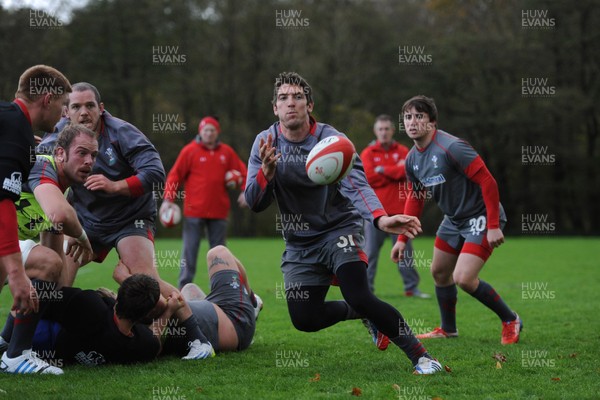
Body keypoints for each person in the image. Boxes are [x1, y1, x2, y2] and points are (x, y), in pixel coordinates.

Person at [244, 72, 442, 374]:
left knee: (359, 294)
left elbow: (357, 186)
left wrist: (380, 218)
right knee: (304, 319)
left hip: (339, 229)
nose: (291, 103)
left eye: (298, 97)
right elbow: (254, 202)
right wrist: (266, 176)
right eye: (283, 98)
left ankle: (422, 358)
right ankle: (360, 313)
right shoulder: (265, 142)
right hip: (299, 241)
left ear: (310, 105)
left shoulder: (332, 141)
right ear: (275, 108)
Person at [391, 95, 522, 345]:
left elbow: (488, 181)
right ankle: (448, 329)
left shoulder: (452, 147)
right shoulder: (411, 159)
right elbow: (415, 198)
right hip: (453, 220)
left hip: (481, 217)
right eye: (408, 117)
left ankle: (510, 319)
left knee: (464, 278)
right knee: (439, 272)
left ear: (432, 122)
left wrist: (493, 226)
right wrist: (401, 239)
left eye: (419, 116)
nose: (412, 122)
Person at [36, 82, 177, 297]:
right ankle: (29, 331)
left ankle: (192, 314)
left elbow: (155, 173)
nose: (84, 113)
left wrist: (116, 186)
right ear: (66, 112)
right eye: (76, 107)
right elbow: (33, 164)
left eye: (90, 106)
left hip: (131, 219)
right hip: (87, 220)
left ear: (101, 108)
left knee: (145, 286)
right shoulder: (58, 138)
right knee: (52, 274)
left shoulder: (122, 132)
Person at [0, 124, 98, 362]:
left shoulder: (61, 190)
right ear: (60, 154)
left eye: (94, 155)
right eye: (82, 153)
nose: (89, 161)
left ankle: (7, 346)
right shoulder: (43, 165)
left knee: (49, 265)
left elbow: (56, 277)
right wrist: (83, 239)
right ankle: (18, 356)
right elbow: (61, 214)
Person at [0, 65, 71, 374]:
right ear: (47, 99)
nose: (63, 113)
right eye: (62, 105)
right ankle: (16, 355)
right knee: (47, 264)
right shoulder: (15, 129)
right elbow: (2, 203)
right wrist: (16, 273)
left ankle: (9, 350)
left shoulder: (13, 125)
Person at [160, 116, 248, 289]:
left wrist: (246, 191)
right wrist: (168, 199)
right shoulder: (189, 151)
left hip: (219, 212)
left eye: (212, 130)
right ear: (200, 131)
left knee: (220, 255)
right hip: (194, 212)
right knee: (189, 253)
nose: (209, 133)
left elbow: (244, 172)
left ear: (217, 132)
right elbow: (175, 175)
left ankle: (222, 289)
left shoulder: (226, 152)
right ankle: (184, 290)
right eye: (206, 130)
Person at [360, 114, 430, 298]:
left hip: (400, 212)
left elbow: (409, 173)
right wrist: (394, 171)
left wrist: (383, 170)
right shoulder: (367, 153)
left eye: (387, 129)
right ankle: (367, 291)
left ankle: (411, 288)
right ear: (376, 131)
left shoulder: (404, 150)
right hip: (375, 214)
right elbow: (368, 177)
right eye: (380, 129)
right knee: (369, 253)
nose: (384, 132)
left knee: (405, 253)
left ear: (392, 130)